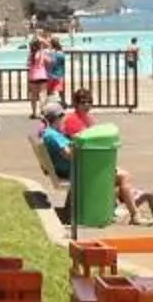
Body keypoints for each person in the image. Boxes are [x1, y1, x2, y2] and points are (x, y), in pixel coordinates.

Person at [56, 87, 141, 223]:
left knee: (123, 178)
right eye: (83, 102)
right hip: (85, 165)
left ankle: (123, 203)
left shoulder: (87, 119)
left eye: (89, 102)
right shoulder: (73, 120)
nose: (87, 105)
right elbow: (84, 142)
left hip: (87, 162)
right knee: (125, 177)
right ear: (76, 103)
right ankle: (135, 214)